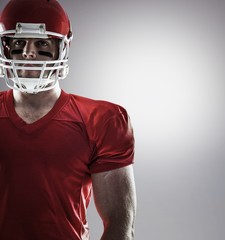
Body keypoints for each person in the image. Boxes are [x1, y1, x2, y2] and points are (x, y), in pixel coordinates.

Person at [0, 0, 136, 239]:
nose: (29, 52)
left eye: (41, 42)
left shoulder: (101, 120)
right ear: (6, 46)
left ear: (63, 46)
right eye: (19, 42)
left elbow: (119, 224)